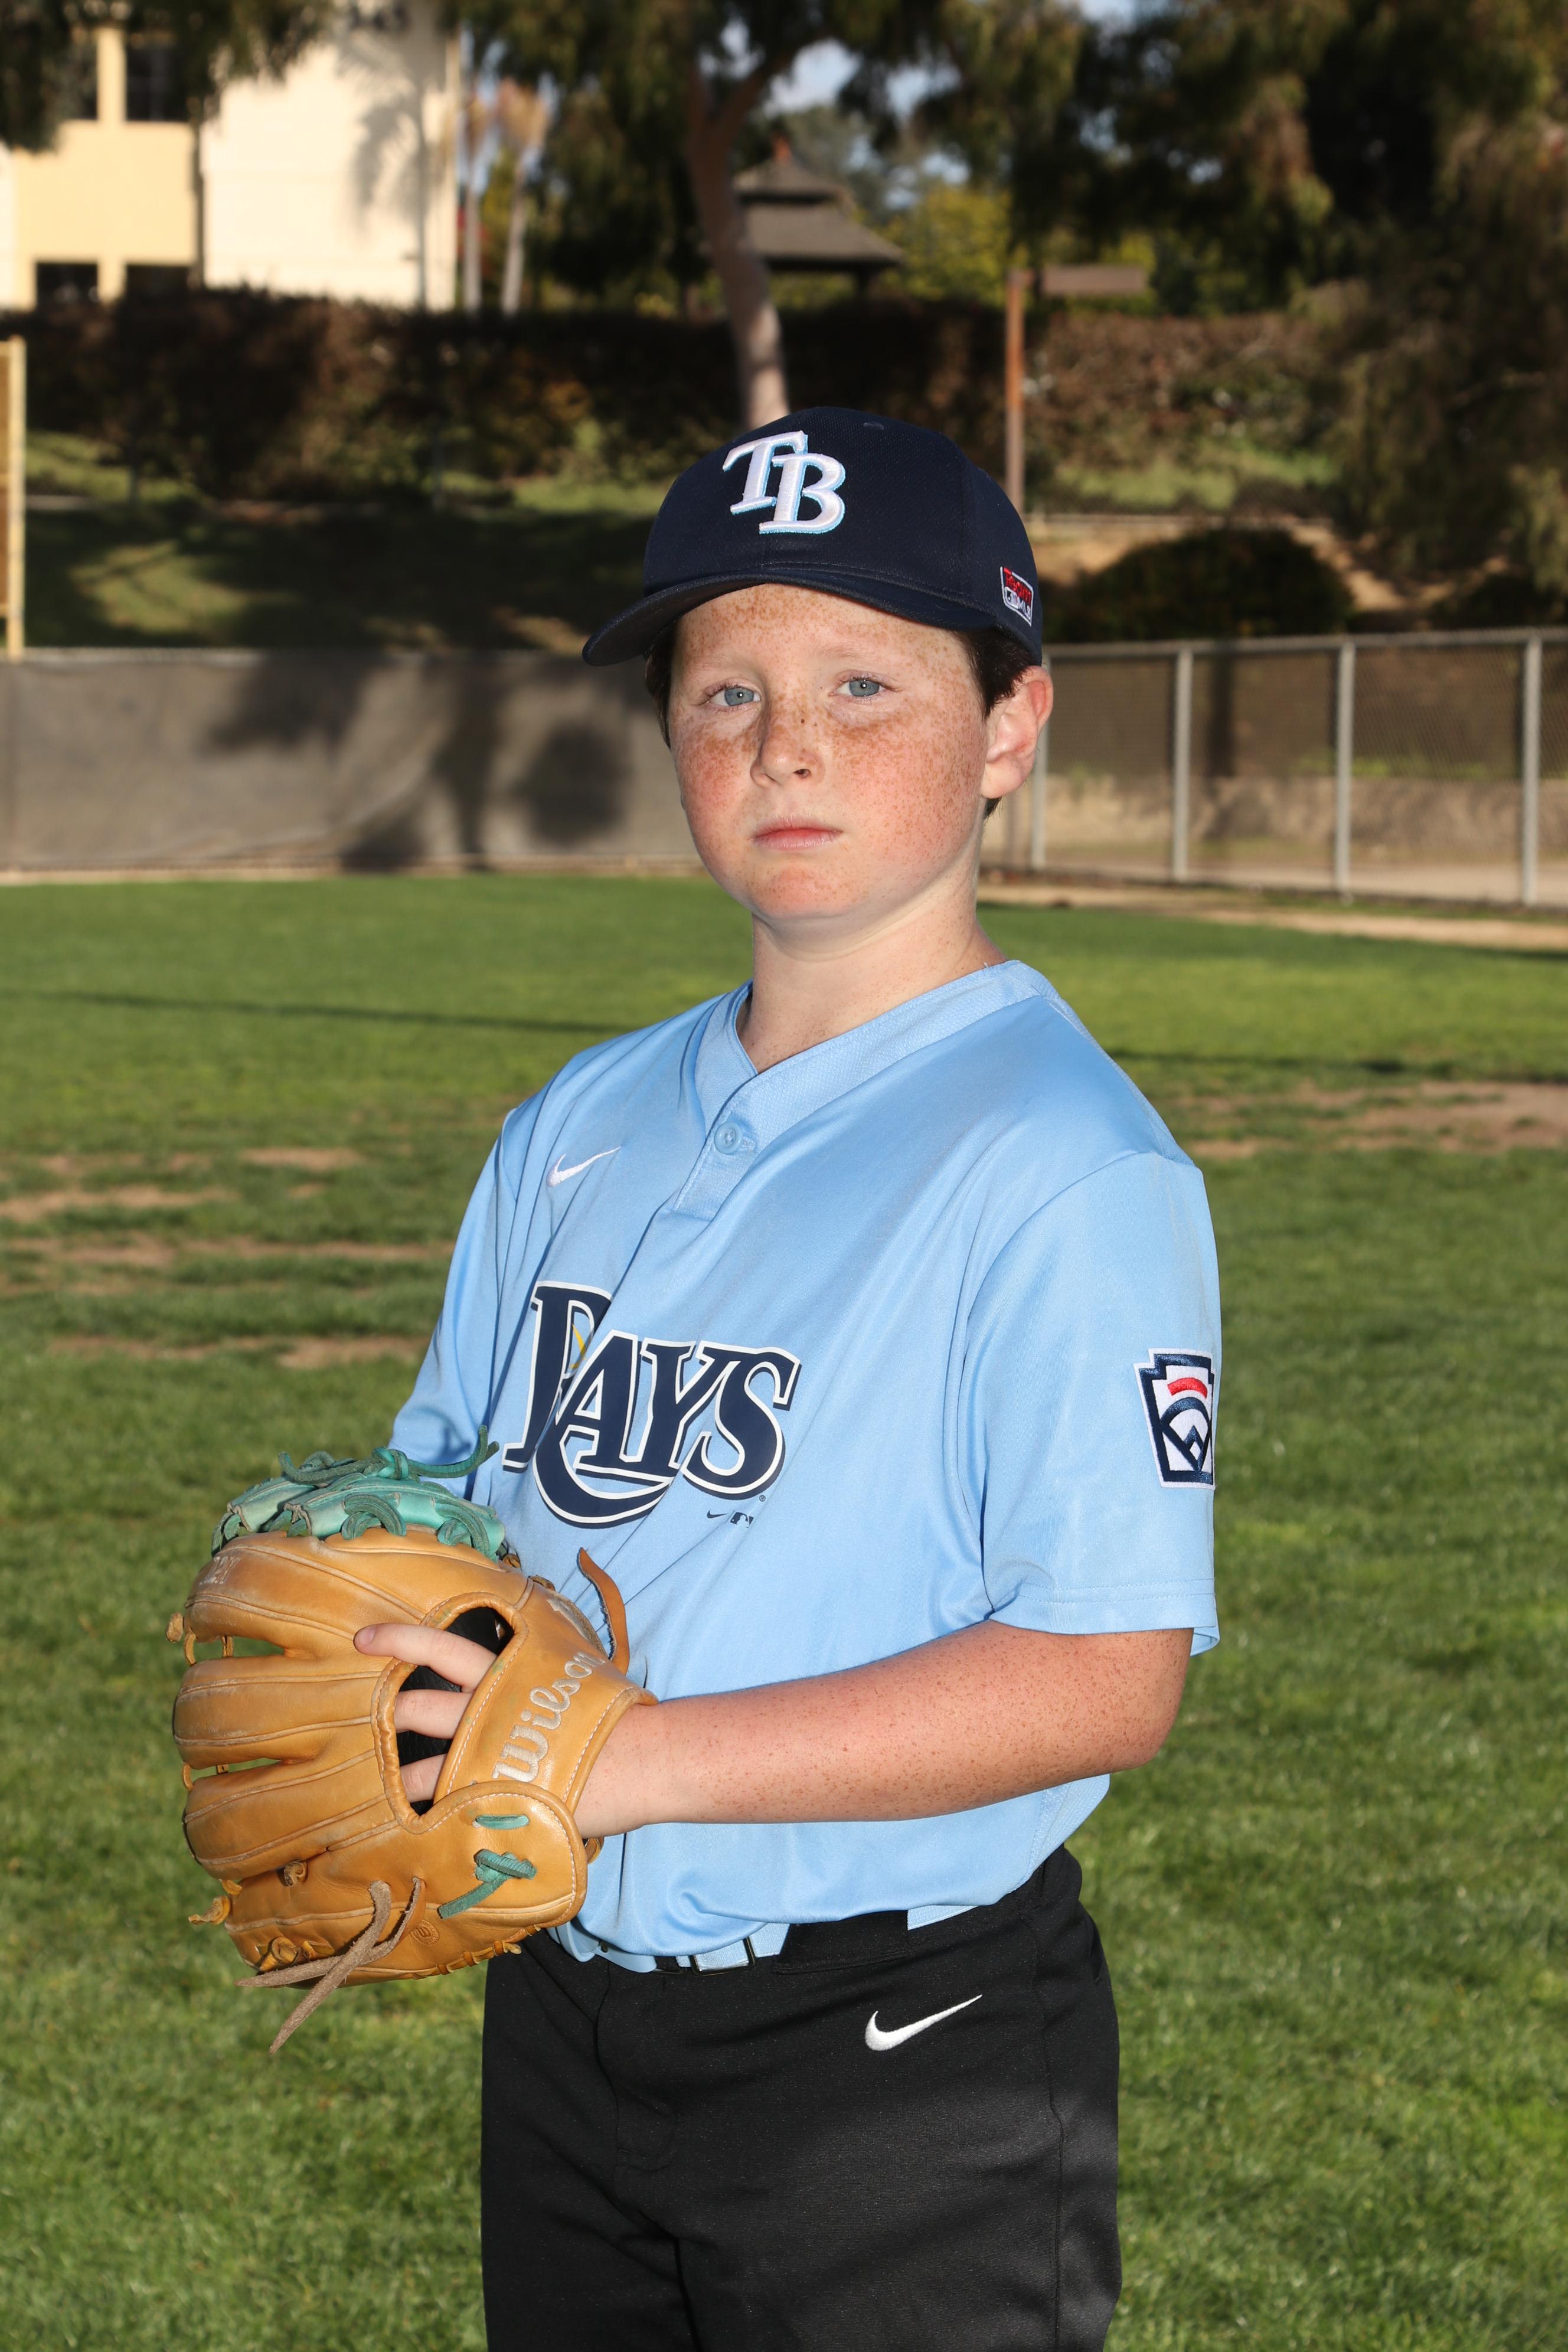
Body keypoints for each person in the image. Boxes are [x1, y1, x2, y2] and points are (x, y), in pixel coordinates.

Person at [357, 408, 1220, 2351]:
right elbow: (450, 1496)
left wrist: (621, 1760)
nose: (787, 745)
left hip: (901, 2058)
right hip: (562, 2008)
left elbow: (1108, 1672)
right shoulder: (579, 1122)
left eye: (865, 684)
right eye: (726, 691)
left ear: (1009, 728)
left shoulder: (1066, 1165)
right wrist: (354, 1615)